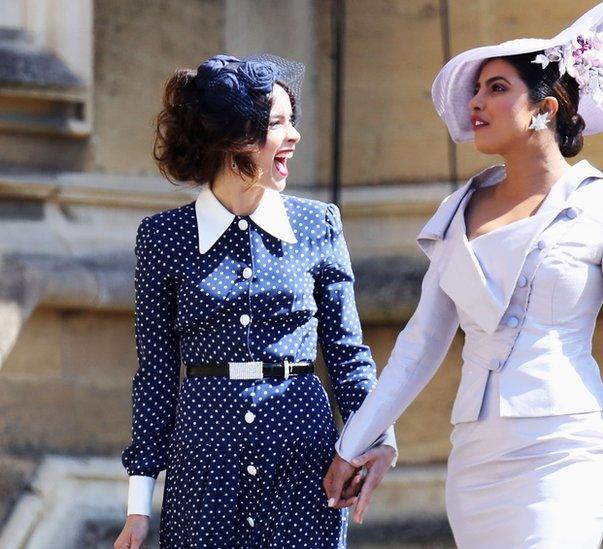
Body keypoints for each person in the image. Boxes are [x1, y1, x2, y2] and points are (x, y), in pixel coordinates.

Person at [323, 1, 603, 547]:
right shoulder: (457, 209)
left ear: (543, 108)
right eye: (476, 91)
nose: (476, 102)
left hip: (565, 447)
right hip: (474, 457)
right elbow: (419, 345)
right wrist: (352, 444)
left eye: (496, 88)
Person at [114, 53, 394, 549]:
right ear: (233, 137)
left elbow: (349, 354)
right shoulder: (162, 237)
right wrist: (138, 508)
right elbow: (155, 375)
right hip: (203, 465)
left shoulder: (318, 224)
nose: (295, 136)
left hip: (303, 459)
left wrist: (376, 441)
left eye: (293, 121)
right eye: (277, 124)